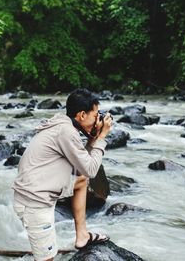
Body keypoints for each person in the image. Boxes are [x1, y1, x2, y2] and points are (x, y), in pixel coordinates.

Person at [12, 89, 112, 261]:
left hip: (36, 191)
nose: (98, 120)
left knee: (80, 180)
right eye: (96, 115)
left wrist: (93, 139)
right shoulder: (66, 132)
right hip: (35, 203)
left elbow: (83, 166)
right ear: (82, 115)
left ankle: (82, 236)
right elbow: (91, 169)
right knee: (47, 259)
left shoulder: (63, 125)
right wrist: (102, 136)